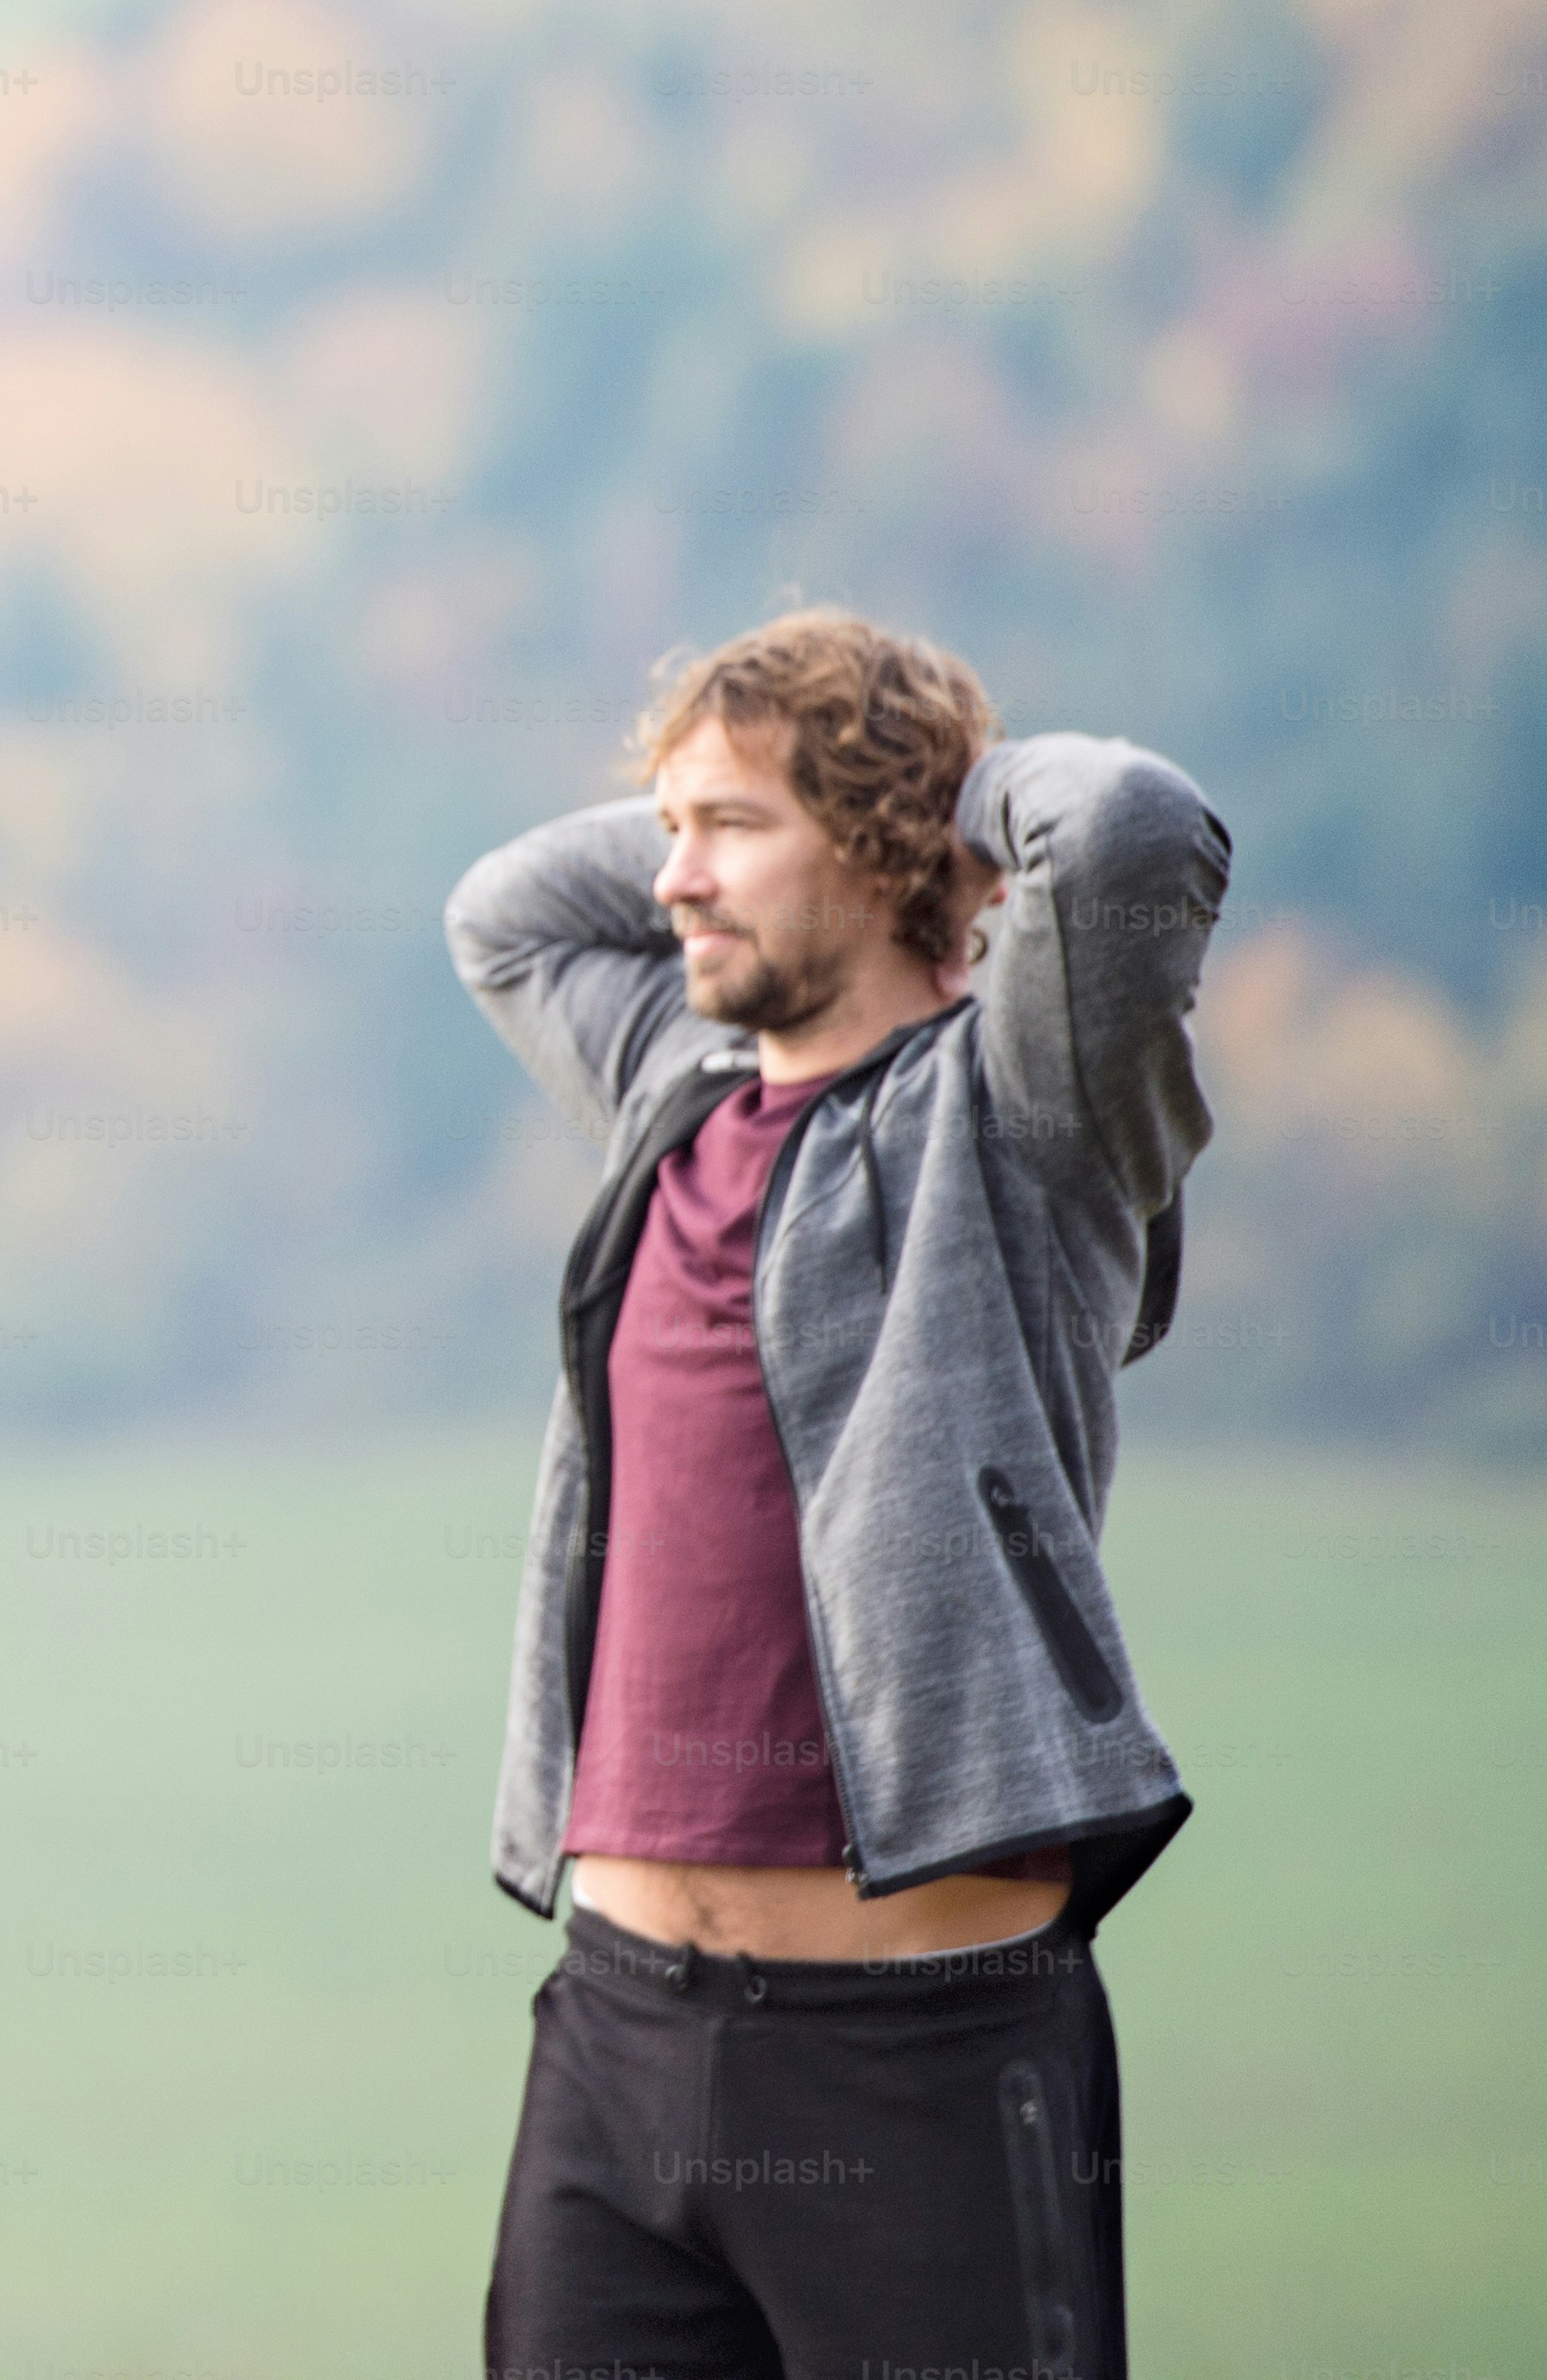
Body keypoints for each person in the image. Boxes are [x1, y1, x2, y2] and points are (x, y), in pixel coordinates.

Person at [442, 608, 1227, 2376]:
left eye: (727, 828)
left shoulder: (1026, 1107)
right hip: (617, 2032)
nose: (670, 880)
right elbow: (498, 907)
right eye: (664, 829)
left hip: (916, 2051)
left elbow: (1122, 828)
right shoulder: (671, 1079)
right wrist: (717, 797)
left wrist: (949, 798)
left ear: (888, 847)